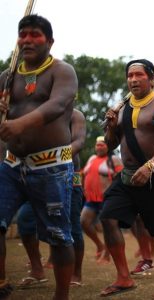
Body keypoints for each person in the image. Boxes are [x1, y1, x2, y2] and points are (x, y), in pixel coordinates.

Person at [0, 15, 78, 300]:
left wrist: (19, 124)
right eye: (23, 35)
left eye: (35, 35)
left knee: (58, 236)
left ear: (50, 41)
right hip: (11, 165)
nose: (28, 40)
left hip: (51, 168)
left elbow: (57, 105)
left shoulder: (62, 71)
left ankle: (61, 296)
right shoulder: (8, 77)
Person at [100, 59, 154, 299]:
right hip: (127, 177)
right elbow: (111, 144)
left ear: (152, 78)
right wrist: (112, 127)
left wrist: (151, 165)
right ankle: (123, 278)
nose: (133, 79)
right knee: (108, 218)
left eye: (139, 75)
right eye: (130, 75)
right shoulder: (122, 109)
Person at [16, 109, 86, 287]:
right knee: (25, 220)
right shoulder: (35, 114)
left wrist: (54, 160)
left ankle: (76, 274)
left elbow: (79, 142)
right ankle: (37, 270)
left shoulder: (75, 116)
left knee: (72, 228)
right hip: (39, 178)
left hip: (70, 177)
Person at [81, 135, 122, 264]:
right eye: (97, 145)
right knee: (84, 222)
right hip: (91, 198)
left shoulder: (114, 159)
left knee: (108, 227)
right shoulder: (92, 159)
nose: (99, 147)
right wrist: (80, 188)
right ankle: (100, 245)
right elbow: (82, 173)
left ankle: (107, 254)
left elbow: (122, 177)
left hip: (107, 199)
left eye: (102, 144)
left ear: (108, 146)